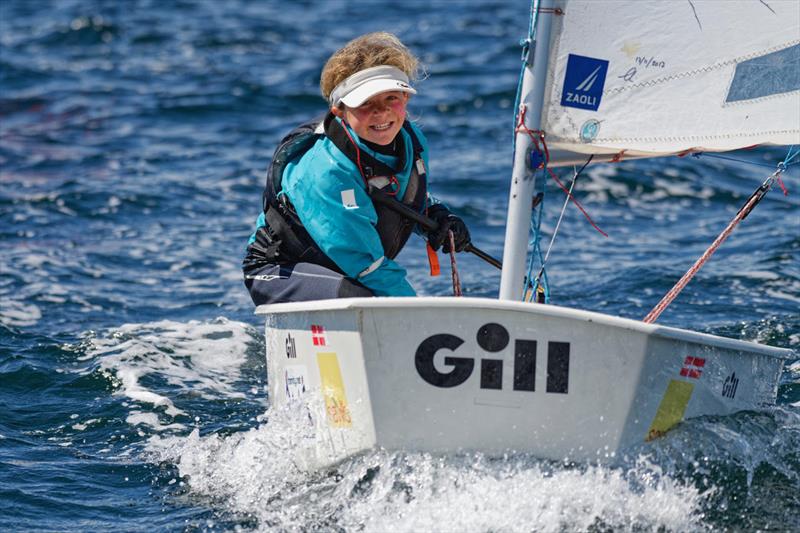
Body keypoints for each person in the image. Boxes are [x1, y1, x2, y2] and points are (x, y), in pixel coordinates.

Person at [243, 32, 471, 306]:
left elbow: (396, 191)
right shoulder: (326, 172)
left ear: (406, 99)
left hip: (347, 267)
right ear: (339, 111)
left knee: (372, 295)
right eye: (366, 103)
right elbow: (365, 266)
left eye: (391, 98)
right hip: (281, 270)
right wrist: (425, 319)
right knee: (367, 299)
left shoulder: (411, 141)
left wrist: (434, 215)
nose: (382, 113)